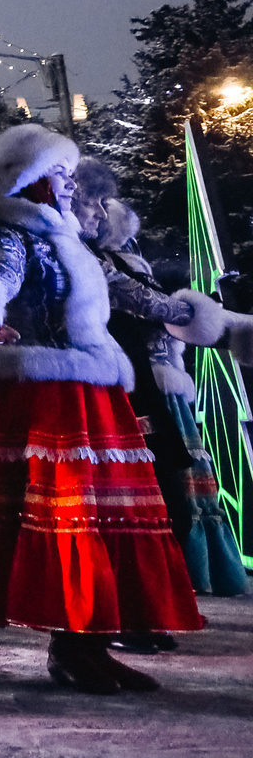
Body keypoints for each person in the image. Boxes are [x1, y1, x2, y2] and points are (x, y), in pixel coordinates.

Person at [0, 123, 205, 693]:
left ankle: (92, 641)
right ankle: (71, 646)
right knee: (71, 522)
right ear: (32, 181)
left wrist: (204, 320)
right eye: (59, 174)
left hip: (93, 389)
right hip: (51, 395)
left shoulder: (69, 239)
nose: (70, 185)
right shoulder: (11, 234)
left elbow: (129, 293)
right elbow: (1, 279)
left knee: (109, 520)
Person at [73, 166, 249, 601]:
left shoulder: (119, 264)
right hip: (122, 385)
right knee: (145, 484)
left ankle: (173, 580)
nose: (99, 214)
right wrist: (200, 319)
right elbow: (152, 306)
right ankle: (151, 587)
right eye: (92, 204)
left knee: (170, 479)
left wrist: (213, 324)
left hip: (152, 381)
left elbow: (156, 306)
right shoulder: (89, 261)